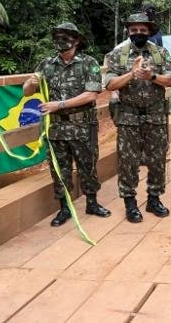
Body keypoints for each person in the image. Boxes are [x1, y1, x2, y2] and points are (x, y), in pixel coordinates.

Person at [23, 23, 111, 227]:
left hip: (82, 126)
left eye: (65, 37)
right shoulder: (46, 64)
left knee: (87, 166)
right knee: (59, 170)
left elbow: (91, 94)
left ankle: (92, 203)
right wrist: (30, 83)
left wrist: (59, 105)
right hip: (56, 129)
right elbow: (27, 91)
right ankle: (64, 208)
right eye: (58, 37)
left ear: (76, 40)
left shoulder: (88, 63)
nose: (61, 41)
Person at [104, 13, 171, 223]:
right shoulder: (118, 55)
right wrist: (131, 75)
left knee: (157, 160)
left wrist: (152, 77)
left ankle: (154, 199)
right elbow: (109, 84)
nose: (138, 34)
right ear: (129, 31)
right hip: (128, 116)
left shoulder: (160, 53)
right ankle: (130, 203)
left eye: (142, 30)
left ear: (149, 32)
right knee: (128, 161)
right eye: (134, 30)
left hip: (155, 116)